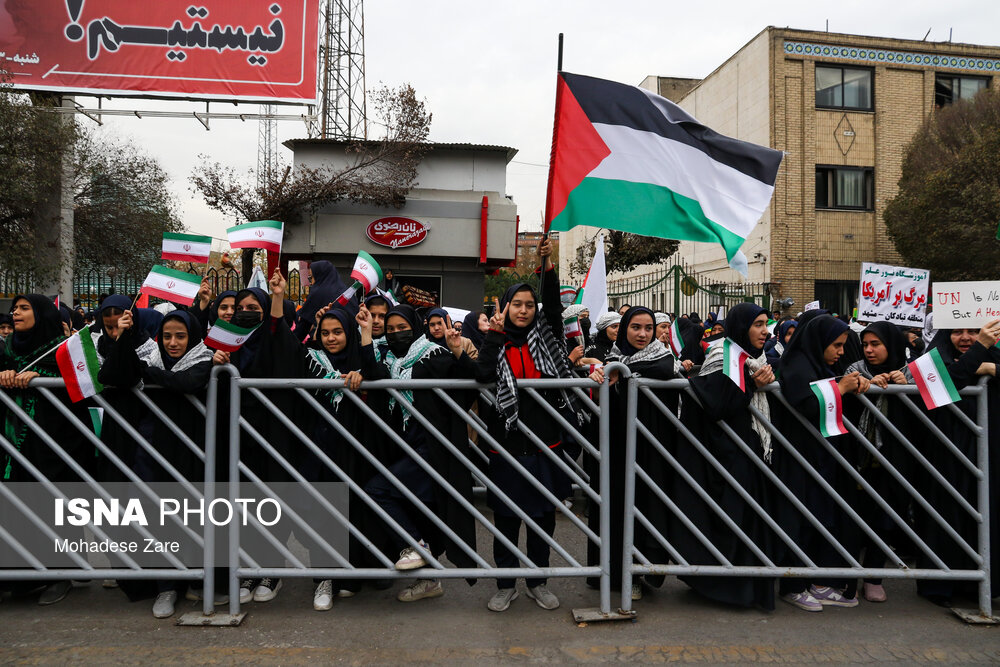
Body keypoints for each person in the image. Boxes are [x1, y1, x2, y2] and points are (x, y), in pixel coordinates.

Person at [474, 238, 583, 613]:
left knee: (541, 517)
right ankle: (506, 584)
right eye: (516, 304)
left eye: (528, 305)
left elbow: (552, 307)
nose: (523, 310)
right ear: (505, 307)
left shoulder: (546, 336)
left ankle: (537, 580)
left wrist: (547, 267)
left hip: (545, 445)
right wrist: (494, 334)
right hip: (504, 445)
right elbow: (483, 374)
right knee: (505, 518)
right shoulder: (495, 338)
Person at [97, 307, 223, 618]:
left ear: (192, 336)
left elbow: (188, 382)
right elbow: (113, 374)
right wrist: (125, 336)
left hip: (191, 456)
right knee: (157, 518)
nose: (173, 343)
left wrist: (147, 372)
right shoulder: (150, 356)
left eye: (180, 336)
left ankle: (195, 579)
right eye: (167, 336)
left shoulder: (204, 359)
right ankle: (166, 586)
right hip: (152, 453)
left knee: (194, 518)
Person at [361, 303, 479, 604]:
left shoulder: (433, 354)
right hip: (404, 448)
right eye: (391, 330)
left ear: (416, 327)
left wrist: (456, 351)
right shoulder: (391, 360)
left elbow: (468, 386)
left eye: (403, 328)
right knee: (418, 511)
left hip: (431, 449)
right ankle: (429, 579)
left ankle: (416, 548)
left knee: (378, 489)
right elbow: (374, 375)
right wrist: (365, 332)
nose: (397, 334)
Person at [674, 303, 778, 609]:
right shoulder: (724, 354)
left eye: (765, 324)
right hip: (726, 454)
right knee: (729, 521)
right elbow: (715, 403)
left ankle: (748, 589)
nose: (765, 331)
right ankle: (724, 588)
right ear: (741, 325)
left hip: (750, 449)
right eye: (757, 324)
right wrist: (751, 385)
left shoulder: (756, 358)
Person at [776, 314, 870, 612]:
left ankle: (814, 580)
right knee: (801, 516)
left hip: (820, 455)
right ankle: (793, 584)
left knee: (821, 514)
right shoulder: (796, 364)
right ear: (820, 342)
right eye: (837, 345)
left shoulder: (819, 363)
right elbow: (803, 402)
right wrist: (840, 389)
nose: (841, 352)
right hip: (800, 456)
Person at [0, 295, 90, 605]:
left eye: (24, 308)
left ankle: (60, 573)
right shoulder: (7, 349)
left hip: (56, 444)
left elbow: (87, 386)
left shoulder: (62, 350)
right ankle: (20, 577)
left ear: (41, 314)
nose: (16, 313)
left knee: (55, 505)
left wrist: (44, 377)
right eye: (15, 308)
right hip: (15, 446)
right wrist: (5, 376)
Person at [588, 306, 677, 600]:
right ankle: (610, 572)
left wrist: (623, 373)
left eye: (649, 328)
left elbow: (664, 370)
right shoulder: (611, 358)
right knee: (613, 505)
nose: (642, 334)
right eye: (636, 327)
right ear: (624, 328)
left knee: (643, 508)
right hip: (615, 446)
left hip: (648, 451)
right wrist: (610, 370)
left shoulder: (660, 356)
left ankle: (638, 574)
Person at [914, 322, 999, 608]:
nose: (966, 338)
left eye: (974, 331)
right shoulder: (934, 357)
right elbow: (939, 380)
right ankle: (944, 585)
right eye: (957, 331)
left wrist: (989, 366)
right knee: (947, 513)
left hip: (988, 453)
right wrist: (981, 357)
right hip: (946, 454)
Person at [844, 321, 914, 603]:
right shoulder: (854, 370)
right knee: (854, 517)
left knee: (886, 519)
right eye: (865, 344)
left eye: (876, 344)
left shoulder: (910, 372)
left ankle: (874, 576)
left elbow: (924, 416)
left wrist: (905, 390)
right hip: (858, 456)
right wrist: (865, 387)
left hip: (893, 460)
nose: (869, 350)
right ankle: (847, 578)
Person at [293, 261, 355, 341]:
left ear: (319, 276)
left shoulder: (317, 293)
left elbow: (303, 327)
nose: (311, 282)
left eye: (311, 278)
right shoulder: (347, 292)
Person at [363, 293, 391, 361]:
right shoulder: (356, 341)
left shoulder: (396, 344)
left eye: (382, 316)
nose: (376, 321)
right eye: (371, 316)